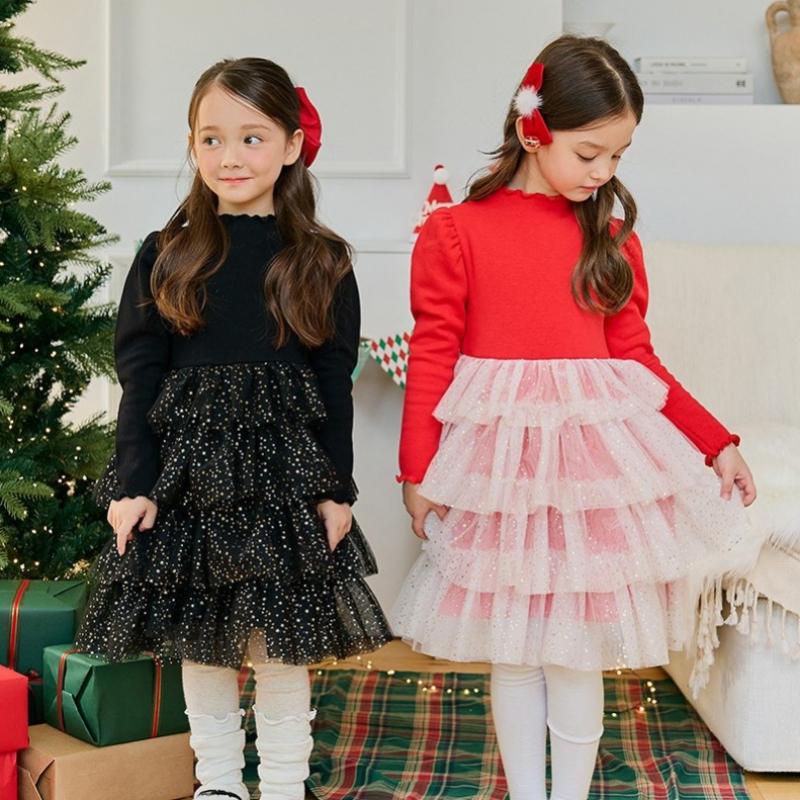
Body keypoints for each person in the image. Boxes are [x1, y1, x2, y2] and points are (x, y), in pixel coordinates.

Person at [391, 36, 761, 800]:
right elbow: (432, 355)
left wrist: (714, 442)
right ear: (533, 130)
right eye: (590, 153)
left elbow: (639, 360)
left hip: (590, 481)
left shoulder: (610, 236)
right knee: (514, 653)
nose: (604, 172)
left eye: (618, 157)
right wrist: (416, 471)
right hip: (501, 479)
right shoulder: (457, 231)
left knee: (573, 654)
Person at [74, 57, 393, 800]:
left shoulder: (320, 260)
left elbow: (333, 383)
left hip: (283, 485)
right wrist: (135, 485)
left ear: (292, 144)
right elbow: (139, 377)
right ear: (192, 145)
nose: (230, 156)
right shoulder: (166, 252)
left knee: (281, 649)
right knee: (205, 647)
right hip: (191, 484)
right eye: (211, 138)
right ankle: (218, 783)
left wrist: (336, 490)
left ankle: (281, 782)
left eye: (252, 138)